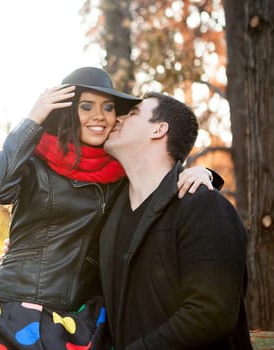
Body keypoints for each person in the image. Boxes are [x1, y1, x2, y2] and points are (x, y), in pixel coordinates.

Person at [0, 67, 216, 350]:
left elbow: (158, 176)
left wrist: (205, 173)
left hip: (83, 317)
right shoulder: (35, 161)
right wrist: (33, 119)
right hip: (21, 307)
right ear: (67, 112)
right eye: (86, 106)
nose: (99, 116)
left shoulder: (120, 174)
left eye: (108, 107)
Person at [100, 92, 253, 349]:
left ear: (159, 130)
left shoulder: (204, 206)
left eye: (134, 113)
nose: (118, 119)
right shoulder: (107, 215)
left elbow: (211, 313)